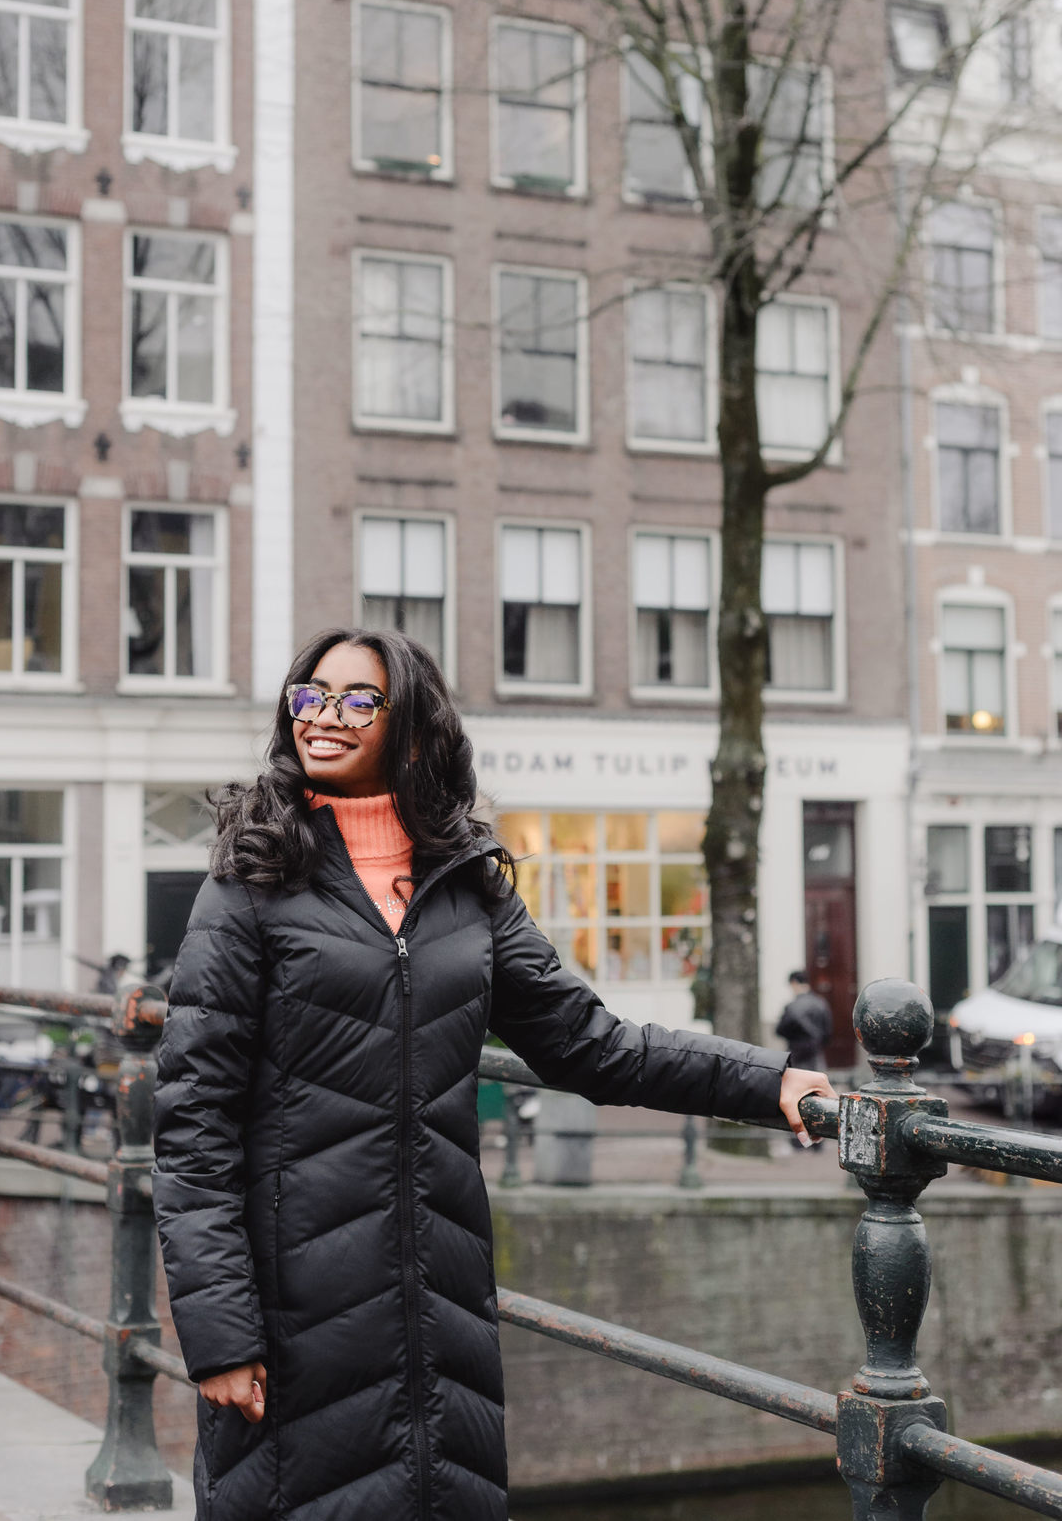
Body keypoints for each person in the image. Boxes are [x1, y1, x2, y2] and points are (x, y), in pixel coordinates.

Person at [152, 628, 834, 1521]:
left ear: (416, 729)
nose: (326, 715)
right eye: (310, 695)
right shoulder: (250, 883)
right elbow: (194, 1124)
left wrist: (768, 1081)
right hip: (297, 1312)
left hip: (440, 1304)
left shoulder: (467, 886)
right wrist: (220, 1333)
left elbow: (592, 1043)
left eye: (359, 699)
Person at [777, 969, 835, 1072]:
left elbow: (780, 1030)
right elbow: (828, 1032)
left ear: (794, 983)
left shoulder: (792, 1007)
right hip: (816, 1057)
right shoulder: (821, 1003)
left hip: (796, 1057)